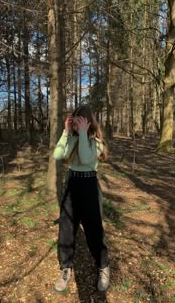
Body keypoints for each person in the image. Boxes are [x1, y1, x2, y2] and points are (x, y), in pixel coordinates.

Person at [53, 105, 110, 293]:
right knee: (66, 228)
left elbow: (86, 159)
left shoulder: (96, 142)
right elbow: (58, 154)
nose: (76, 125)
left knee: (93, 229)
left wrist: (84, 133)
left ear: (88, 122)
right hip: (72, 185)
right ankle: (66, 268)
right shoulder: (73, 139)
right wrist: (65, 132)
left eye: (80, 121)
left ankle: (103, 266)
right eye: (74, 121)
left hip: (89, 187)